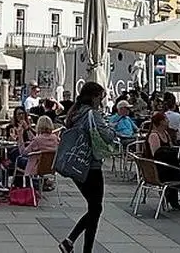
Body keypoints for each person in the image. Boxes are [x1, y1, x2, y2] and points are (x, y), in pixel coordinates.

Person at [60, 82, 117, 253]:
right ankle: (81, 247)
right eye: (101, 97)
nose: (101, 100)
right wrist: (112, 129)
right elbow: (106, 136)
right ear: (94, 97)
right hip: (91, 166)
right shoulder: (92, 114)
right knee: (96, 208)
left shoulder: (75, 113)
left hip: (76, 165)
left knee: (94, 208)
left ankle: (70, 242)